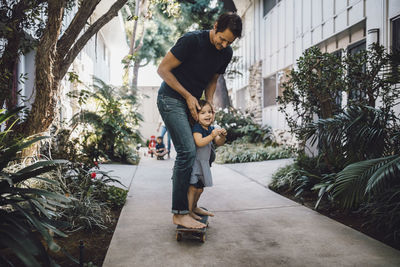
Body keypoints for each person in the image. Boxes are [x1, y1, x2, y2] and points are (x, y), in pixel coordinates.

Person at [157, 12, 242, 229]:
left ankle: (191, 206)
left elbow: (213, 79)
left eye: (228, 42)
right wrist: (187, 95)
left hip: (194, 102)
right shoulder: (192, 41)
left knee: (207, 151)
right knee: (187, 151)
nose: (223, 45)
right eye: (221, 38)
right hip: (172, 98)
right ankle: (179, 213)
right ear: (215, 26)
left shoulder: (226, 52)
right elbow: (163, 70)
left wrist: (210, 102)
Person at [188, 100, 226, 220]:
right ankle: (188, 212)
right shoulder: (197, 128)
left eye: (210, 112)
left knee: (200, 189)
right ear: (196, 116)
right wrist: (212, 136)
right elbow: (199, 142)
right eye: (203, 112)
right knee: (193, 188)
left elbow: (219, 143)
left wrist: (222, 136)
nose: (208, 115)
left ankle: (194, 207)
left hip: (204, 164)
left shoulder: (211, 128)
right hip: (196, 164)